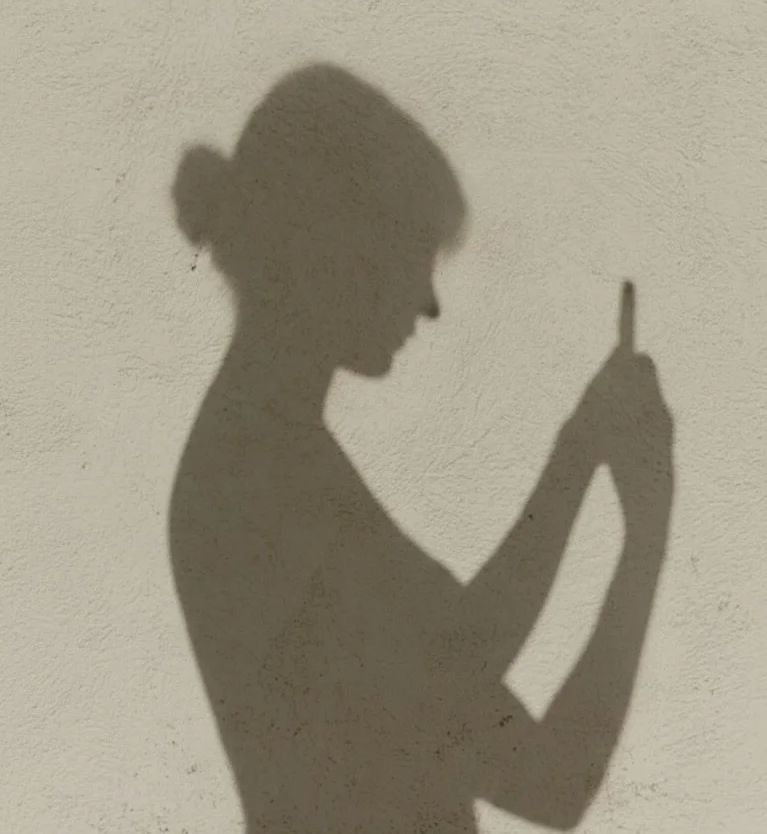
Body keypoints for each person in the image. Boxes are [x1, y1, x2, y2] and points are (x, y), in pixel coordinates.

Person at [169, 63, 673, 832]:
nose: (429, 304)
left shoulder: (262, 456)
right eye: (416, 255)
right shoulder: (257, 475)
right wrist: (602, 485)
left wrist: (620, 505)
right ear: (339, 244)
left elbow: (551, 781)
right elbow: (467, 661)